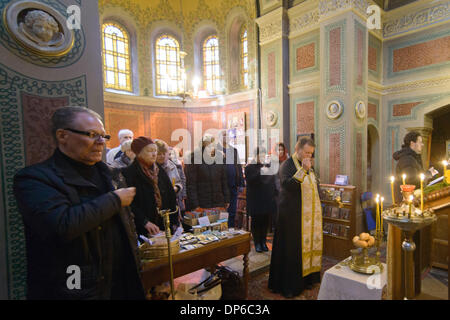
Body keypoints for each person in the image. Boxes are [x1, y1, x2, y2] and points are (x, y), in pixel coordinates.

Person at [13, 106, 144, 300]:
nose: (101, 143)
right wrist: (114, 199)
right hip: (75, 288)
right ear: (62, 135)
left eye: (103, 136)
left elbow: (126, 224)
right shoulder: (34, 179)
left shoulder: (110, 174)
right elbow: (61, 226)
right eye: (92, 135)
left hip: (120, 282)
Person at [268, 138, 322, 298]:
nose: (309, 156)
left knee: (306, 248)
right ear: (297, 149)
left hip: (307, 217)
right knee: (292, 251)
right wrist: (303, 171)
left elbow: (314, 185)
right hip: (291, 216)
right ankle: (291, 286)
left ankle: (307, 280)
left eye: (311, 153)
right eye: (306, 152)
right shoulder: (287, 165)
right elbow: (287, 185)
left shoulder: (309, 166)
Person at [388, 131, 438, 300]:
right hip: (406, 209)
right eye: (420, 142)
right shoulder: (408, 159)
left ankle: (411, 283)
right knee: (405, 249)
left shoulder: (412, 158)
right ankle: (405, 285)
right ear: (412, 143)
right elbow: (411, 181)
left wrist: (426, 174)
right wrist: (428, 175)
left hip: (412, 206)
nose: (422, 145)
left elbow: (416, 178)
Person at [121, 137, 178, 237]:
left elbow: (171, 195)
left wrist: (174, 221)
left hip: (164, 223)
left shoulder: (159, 170)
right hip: (144, 228)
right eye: (149, 151)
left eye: (155, 150)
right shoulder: (128, 173)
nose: (154, 154)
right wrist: (144, 222)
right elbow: (129, 204)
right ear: (138, 153)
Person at [184, 134, 230, 212]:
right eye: (209, 146)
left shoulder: (219, 158)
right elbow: (191, 185)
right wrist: (195, 205)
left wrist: (226, 199)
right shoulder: (194, 159)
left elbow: (224, 181)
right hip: (202, 204)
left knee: (220, 224)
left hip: (218, 202)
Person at [245, 147, 277, 253]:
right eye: (261, 155)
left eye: (264, 155)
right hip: (255, 199)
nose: (262, 158)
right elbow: (250, 181)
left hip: (266, 198)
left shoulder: (267, 166)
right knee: (256, 221)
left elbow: (272, 181)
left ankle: (263, 242)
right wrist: (260, 172)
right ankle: (257, 242)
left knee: (265, 221)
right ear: (256, 156)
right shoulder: (249, 167)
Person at [217, 131, 244, 228]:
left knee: (232, 211)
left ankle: (231, 230)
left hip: (233, 185)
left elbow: (238, 167)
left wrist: (241, 183)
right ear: (219, 137)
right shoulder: (216, 150)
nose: (226, 137)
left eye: (227, 135)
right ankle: (223, 232)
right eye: (224, 135)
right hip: (222, 187)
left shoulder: (234, 150)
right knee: (223, 212)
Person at [155, 139, 185, 224]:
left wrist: (176, 188)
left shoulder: (172, 165)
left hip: (173, 203)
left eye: (164, 153)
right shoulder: (152, 168)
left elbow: (179, 182)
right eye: (159, 154)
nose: (162, 156)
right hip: (159, 206)